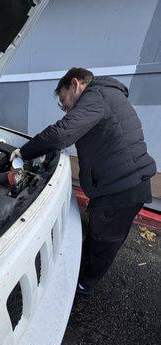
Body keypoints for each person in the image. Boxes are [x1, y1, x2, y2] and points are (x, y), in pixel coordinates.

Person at [10, 67, 156, 295]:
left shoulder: (96, 96)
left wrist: (23, 153)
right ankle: (82, 270)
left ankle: (83, 285)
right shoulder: (106, 95)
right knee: (99, 236)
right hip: (122, 184)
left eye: (63, 99)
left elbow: (61, 133)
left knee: (104, 242)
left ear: (75, 84)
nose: (64, 107)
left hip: (121, 189)